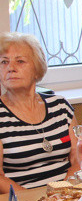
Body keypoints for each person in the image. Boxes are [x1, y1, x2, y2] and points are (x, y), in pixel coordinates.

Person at [0, 32, 77, 192]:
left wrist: (62, 192)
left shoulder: (60, 106)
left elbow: (78, 157)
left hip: (67, 194)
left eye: (20, 61)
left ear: (37, 69)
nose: (11, 68)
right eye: (4, 62)